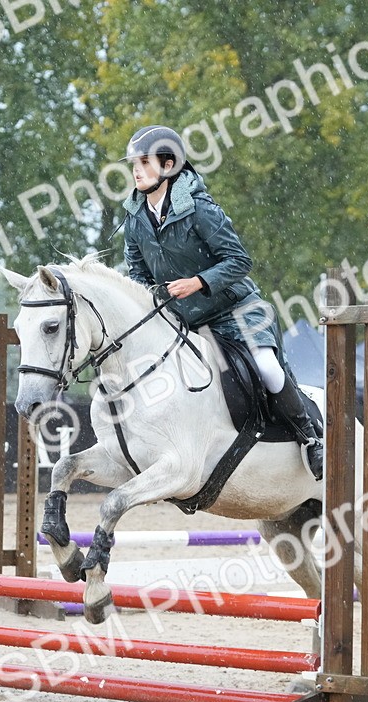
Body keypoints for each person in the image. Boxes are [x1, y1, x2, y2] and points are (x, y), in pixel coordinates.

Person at [120, 125, 323, 480]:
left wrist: (198, 282)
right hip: (188, 320)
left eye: (145, 162)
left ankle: (309, 436)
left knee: (267, 368)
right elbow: (136, 273)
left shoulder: (200, 209)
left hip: (238, 310)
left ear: (168, 165)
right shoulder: (135, 218)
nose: (137, 171)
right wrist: (152, 297)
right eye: (134, 164)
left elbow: (240, 261)